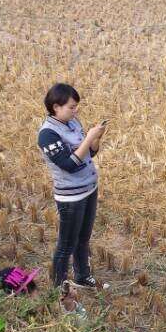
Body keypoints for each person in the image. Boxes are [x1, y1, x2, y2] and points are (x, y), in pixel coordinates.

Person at [37, 83, 107, 289]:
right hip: (71, 198)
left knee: (83, 238)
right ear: (56, 107)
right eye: (72, 107)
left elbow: (89, 154)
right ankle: (58, 287)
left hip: (89, 188)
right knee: (66, 244)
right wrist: (89, 137)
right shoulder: (47, 134)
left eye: (76, 107)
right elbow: (69, 165)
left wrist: (96, 139)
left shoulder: (73, 122)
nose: (75, 111)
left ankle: (82, 276)